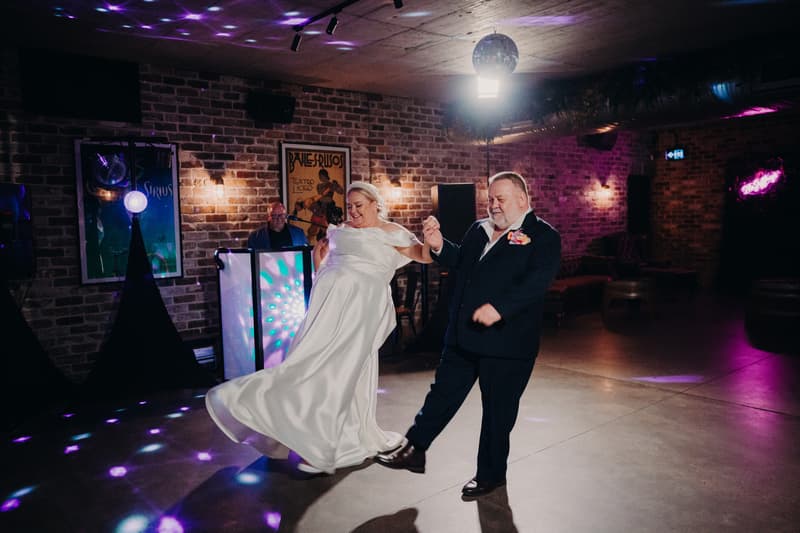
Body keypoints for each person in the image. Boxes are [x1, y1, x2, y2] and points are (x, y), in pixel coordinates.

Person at [206, 181, 433, 474]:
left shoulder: (392, 232)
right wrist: (317, 261)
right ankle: (272, 417)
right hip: (328, 308)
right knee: (308, 363)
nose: (352, 212)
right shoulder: (340, 232)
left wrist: (432, 239)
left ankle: (325, 446)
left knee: (342, 369)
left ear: (375, 204)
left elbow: (424, 256)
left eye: (358, 206)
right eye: (349, 206)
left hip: (361, 310)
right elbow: (329, 267)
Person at [376, 171, 561, 499]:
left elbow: (537, 282)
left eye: (500, 199)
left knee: (497, 412)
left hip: (507, 345)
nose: (493, 205)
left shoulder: (543, 236)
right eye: (490, 198)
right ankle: (415, 448)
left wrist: (500, 308)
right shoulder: (479, 229)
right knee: (441, 394)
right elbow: (462, 262)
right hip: (463, 336)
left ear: (522, 199)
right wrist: (437, 246)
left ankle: (491, 475)